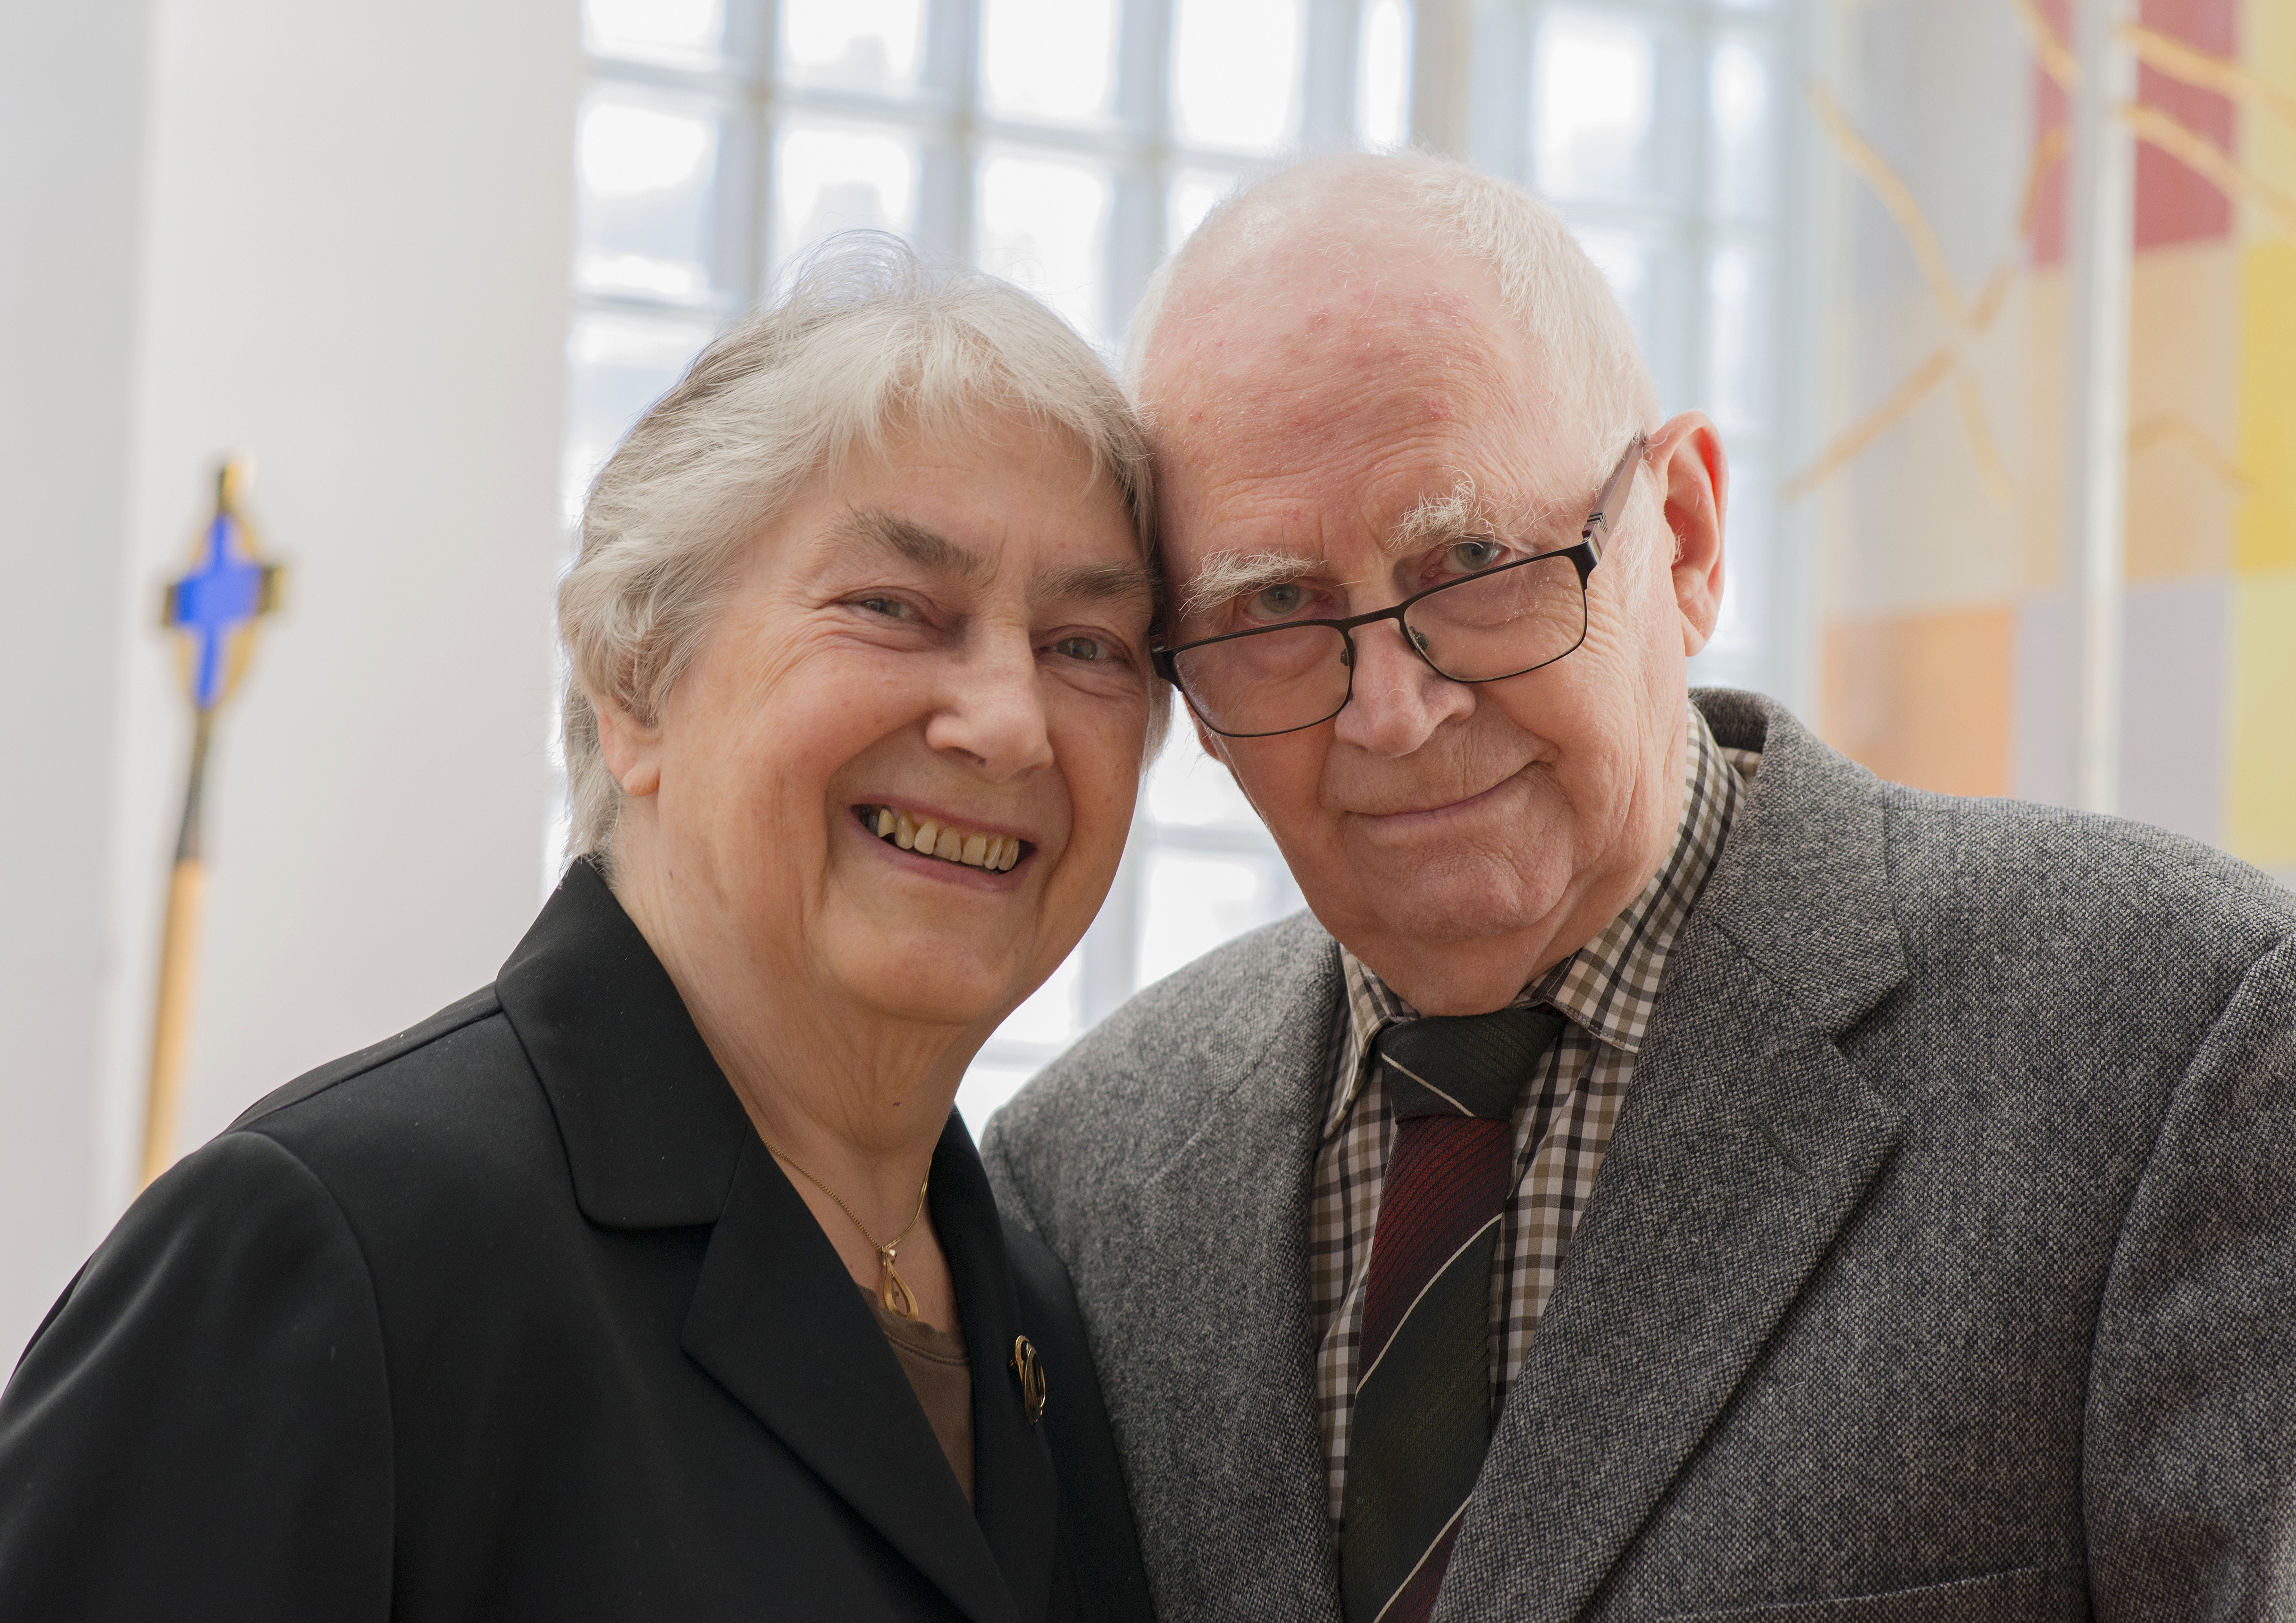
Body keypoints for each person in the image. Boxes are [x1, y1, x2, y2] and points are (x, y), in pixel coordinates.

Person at [982, 153, 2296, 1621]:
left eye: (1473, 560)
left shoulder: (2180, 1038)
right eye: (1275, 606)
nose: (1394, 713)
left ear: (1683, 538)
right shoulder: (1074, 1183)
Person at [0, 237, 1158, 1623]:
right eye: (896, 609)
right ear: (635, 682)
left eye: (1087, 646)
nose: (1011, 722)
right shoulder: (339, 1252)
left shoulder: (1041, 1311)